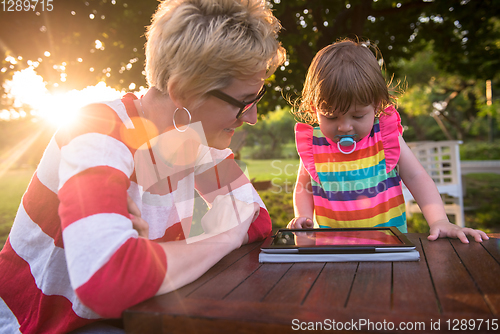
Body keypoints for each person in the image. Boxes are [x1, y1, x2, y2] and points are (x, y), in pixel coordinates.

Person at [0, 0, 286, 333]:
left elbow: (254, 219)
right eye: (244, 102)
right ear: (185, 93)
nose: (252, 118)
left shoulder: (192, 141)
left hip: (131, 316)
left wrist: (147, 256)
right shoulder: (97, 128)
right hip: (42, 325)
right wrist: (222, 238)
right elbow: (107, 280)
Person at [287, 39, 488, 244]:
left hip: (388, 247)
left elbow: (417, 177)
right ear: (314, 109)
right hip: (334, 249)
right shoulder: (314, 145)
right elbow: (304, 189)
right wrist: (304, 218)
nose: (344, 127)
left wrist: (439, 220)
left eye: (357, 116)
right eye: (331, 116)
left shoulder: (385, 138)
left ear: (376, 105)